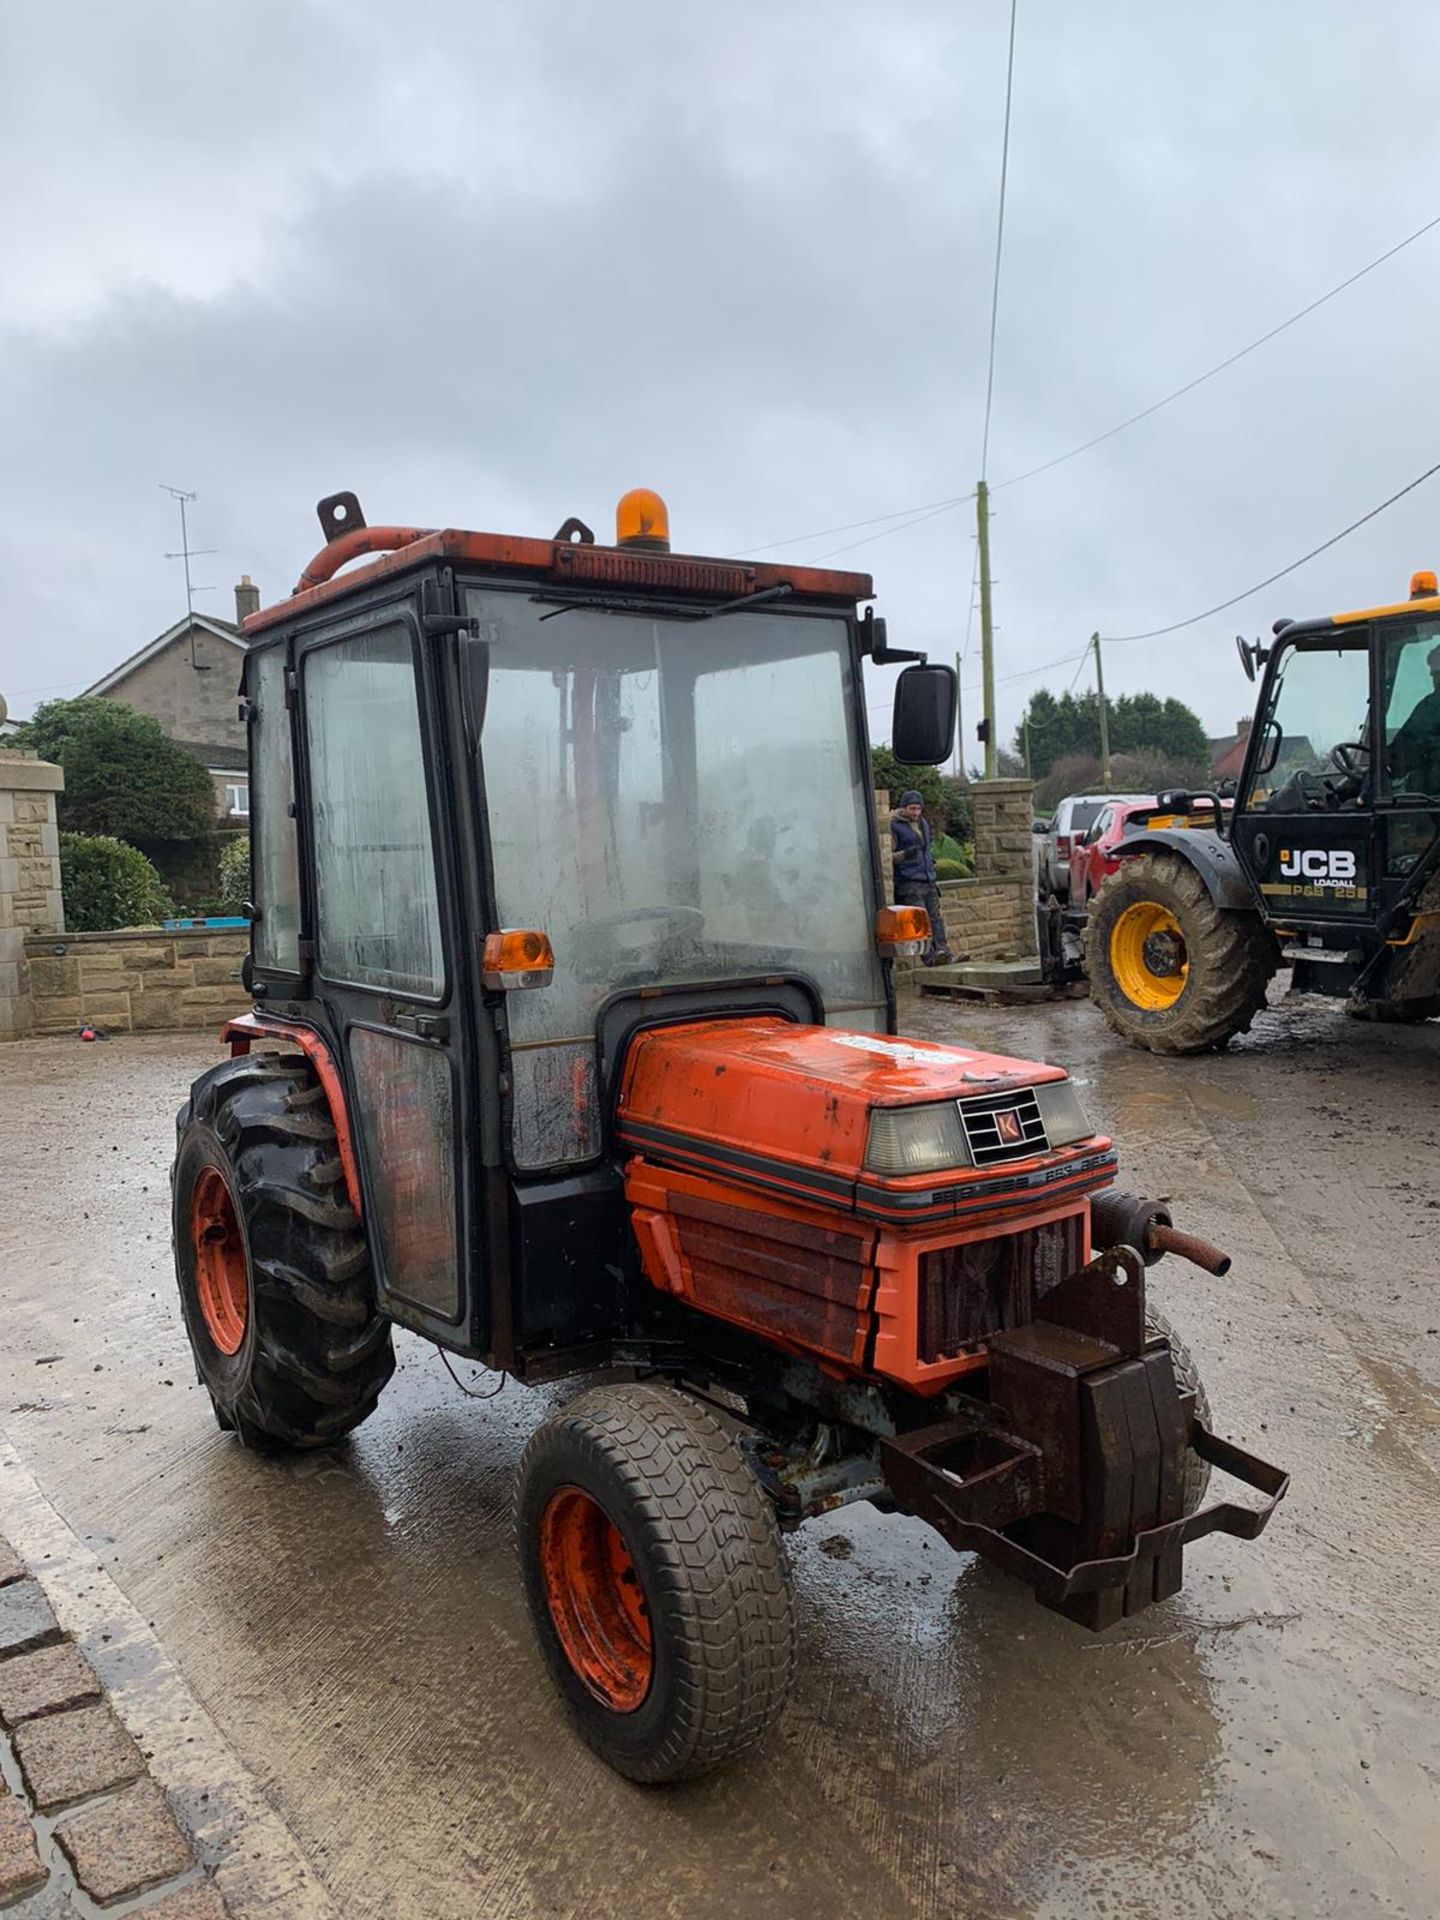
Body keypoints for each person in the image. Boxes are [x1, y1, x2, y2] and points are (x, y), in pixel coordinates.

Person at [890, 790, 954, 966]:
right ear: (903, 808)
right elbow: (887, 856)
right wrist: (905, 855)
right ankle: (930, 957)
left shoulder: (923, 823)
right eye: (912, 808)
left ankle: (944, 952)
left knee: (935, 918)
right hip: (909, 880)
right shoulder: (894, 826)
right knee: (920, 921)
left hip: (928, 878)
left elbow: (926, 849)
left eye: (918, 809)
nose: (916, 813)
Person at [1390, 642, 1440, 798]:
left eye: (1434, 670)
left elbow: (1403, 747)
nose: (1432, 675)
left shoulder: (1434, 705)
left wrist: (1366, 792)